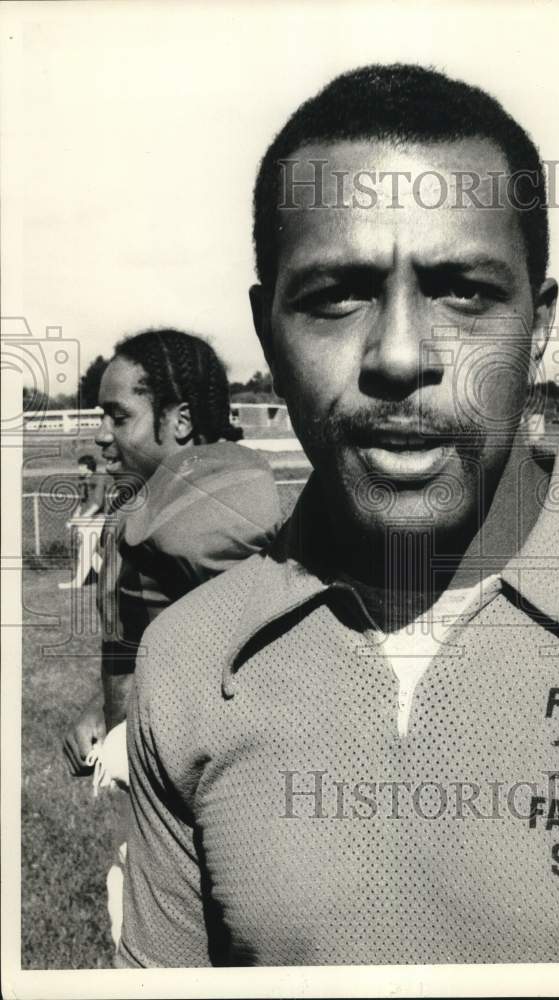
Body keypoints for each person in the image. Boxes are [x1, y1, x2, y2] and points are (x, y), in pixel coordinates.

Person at [118, 66, 559, 967]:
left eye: (464, 291)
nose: (400, 354)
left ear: (540, 323)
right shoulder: (186, 666)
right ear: (267, 333)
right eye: (335, 296)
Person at [62, 327, 282, 946]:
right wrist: (107, 708)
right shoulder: (157, 496)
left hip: (206, 794)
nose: (102, 433)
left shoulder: (208, 495)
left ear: (179, 421)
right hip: (159, 776)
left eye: (118, 416)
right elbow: (155, 628)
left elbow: (266, 644)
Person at [58, 454, 108, 590]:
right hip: (86, 519)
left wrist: (82, 519)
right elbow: (82, 503)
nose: (79, 469)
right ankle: (109, 577)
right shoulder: (83, 480)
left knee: (86, 551)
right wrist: (75, 517)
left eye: (81, 466)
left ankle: (77, 583)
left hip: (96, 519)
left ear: (88, 467)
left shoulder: (99, 478)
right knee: (85, 552)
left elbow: (97, 504)